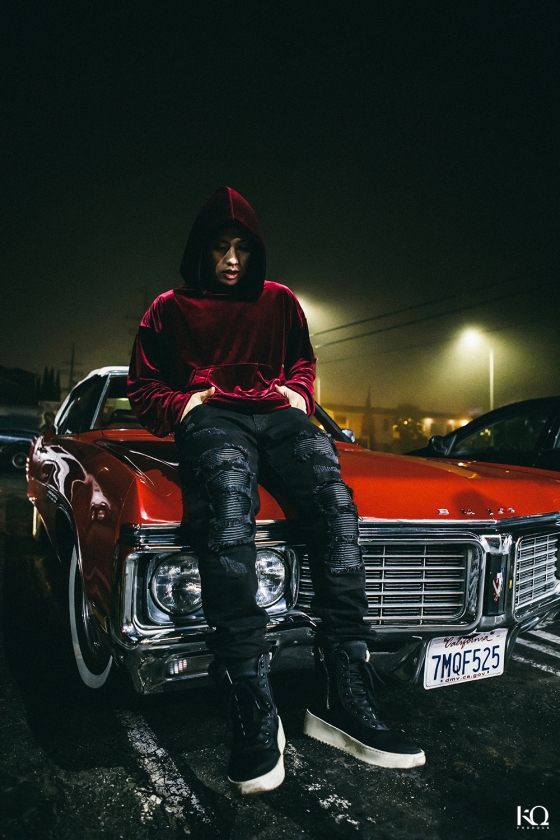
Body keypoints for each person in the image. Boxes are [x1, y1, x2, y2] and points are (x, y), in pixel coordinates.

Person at [128, 187, 425, 796]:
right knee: (227, 511)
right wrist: (186, 404)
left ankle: (345, 688)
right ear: (202, 250)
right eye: (220, 248)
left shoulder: (280, 301)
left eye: (242, 248)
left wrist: (299, 393)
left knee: (334, 504)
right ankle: (251, 695)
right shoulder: (169, 308)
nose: (232, 259)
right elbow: (144, 385)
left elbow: (302, 362)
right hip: (214, 417)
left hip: (279, 415)